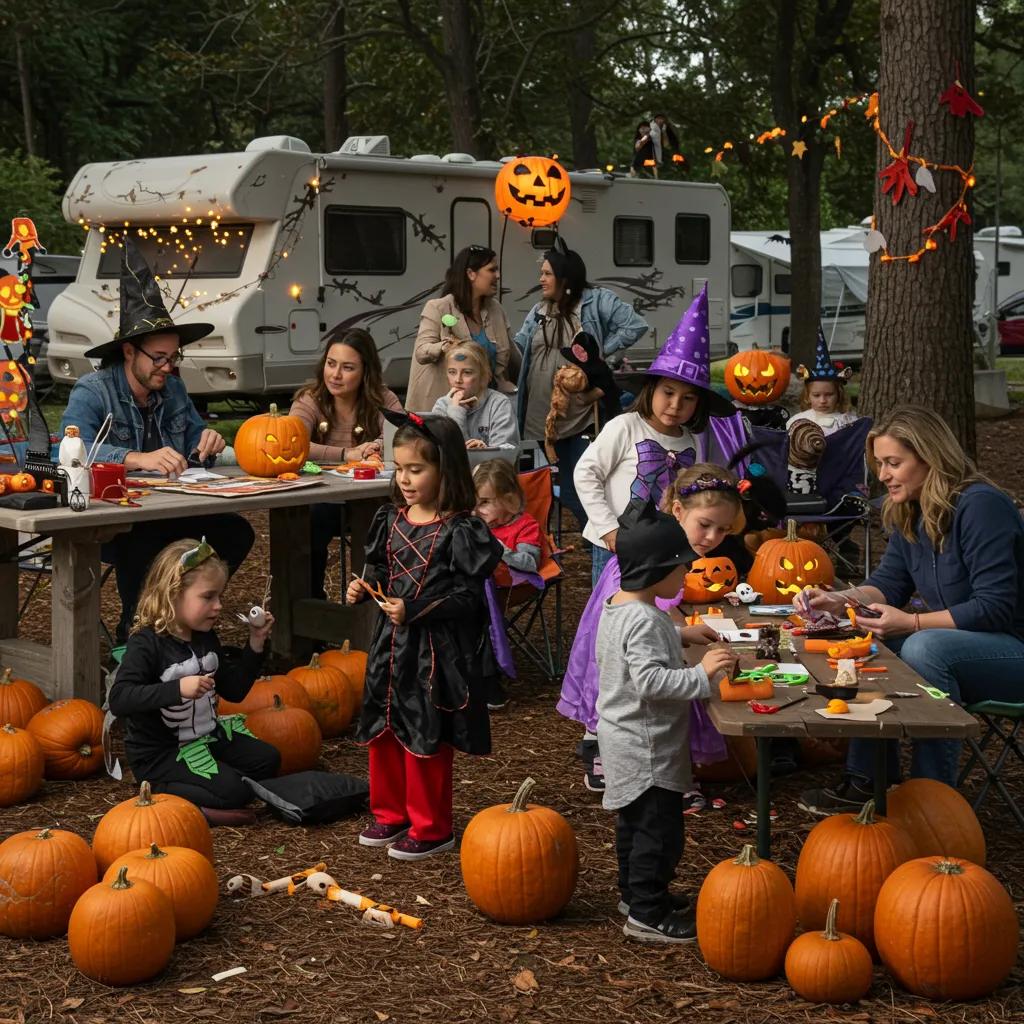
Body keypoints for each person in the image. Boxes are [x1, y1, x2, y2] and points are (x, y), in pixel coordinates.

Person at [796, 405, 1024, 814]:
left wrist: (912, 623)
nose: (882, 475)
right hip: (961, 648)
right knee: (862, 645)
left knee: (924, 647)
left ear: (929, 457)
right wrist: (840, 598)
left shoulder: (981, 507)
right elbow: (889, 585)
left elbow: (994, 608)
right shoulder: (908, 510)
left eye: (893, 463)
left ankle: (931, 800)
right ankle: (869, 780)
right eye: (879, 464)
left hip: (1013, 651)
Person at [62, 237, 254, 642]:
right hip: (114, 519)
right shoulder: (93, 391)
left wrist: (207, 441)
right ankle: (137, 639)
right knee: (145, 541)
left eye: (174, 357)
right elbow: (71, 450)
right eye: (159, 358)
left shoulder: (174, 391)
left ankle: (181, 619)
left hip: (172, 508)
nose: (168, 367)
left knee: (235, 532)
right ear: (129, 351)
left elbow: (188, 452)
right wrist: (137, 458)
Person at [347, 411, 502, 860]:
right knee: (384, 728)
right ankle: (390, 814)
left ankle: (432, 826)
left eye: (417, 469)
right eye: (400, 469)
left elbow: (468, 597)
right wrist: (363, 587)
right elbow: (380, 569)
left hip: (435, 653)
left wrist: (414, 610)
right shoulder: (390, 518)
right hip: (388, 648)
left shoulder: (460, 529)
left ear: (445, 468)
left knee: (425, 732)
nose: (406, 479)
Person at [562, 461, 763, 793]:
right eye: (705, 525)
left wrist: (679, 633)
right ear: (678, 510)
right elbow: (634, 644)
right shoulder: (649, 564)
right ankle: (604, 751)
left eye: (724, 530)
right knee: (616, 692)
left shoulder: (669, 557)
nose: (713, 537)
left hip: (646, 650)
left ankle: (663, 763)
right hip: (628, 682)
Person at [596, 498, 736, 943]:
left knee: (634, 827)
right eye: (682, 568)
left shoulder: (623, 606)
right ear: (657, 571)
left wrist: (681, 632)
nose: (688, 575)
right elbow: (652, 682)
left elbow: (642, 639)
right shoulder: (642, 620)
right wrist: (702, 673)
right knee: (659, 833)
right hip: (646, 747)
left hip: (622, 738)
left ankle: (633, 893)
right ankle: (647, 912)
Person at [574, 283, 741, 587]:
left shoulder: (690, 440)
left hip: (662, 545)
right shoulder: (625, 427)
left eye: (688, 398)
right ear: (651, 389)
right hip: (615, 544)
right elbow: (586, 474)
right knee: (612, 608)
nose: (676, 405)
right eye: (668, 392)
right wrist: (609, 530)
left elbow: (689, 497)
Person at [108, 537, 279, 826]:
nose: (218, 606)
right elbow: (121, 698)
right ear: (173, 593)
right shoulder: (146, 644)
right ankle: (173, 799)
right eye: (208, 597)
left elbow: (235, 690)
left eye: (219, 597)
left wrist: (255, 644)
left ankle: (212, 784)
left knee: (267, 759)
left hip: (204, 737)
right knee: (235, 790)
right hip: (160, 754)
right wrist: (176, 689)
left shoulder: (205, 637)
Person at [514, 242, 649, 530]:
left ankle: (607, 543)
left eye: (547, 273)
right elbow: (518, 347)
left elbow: (635, 325)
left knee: (580, 488)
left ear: (565, 277)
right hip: (542, 418)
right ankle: (599, 544)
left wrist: (597, 354)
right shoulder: (539, 311)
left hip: (581, 417)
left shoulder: (596, 301)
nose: (541, 279)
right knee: (550, 489)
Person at [289, 329, 403, 599]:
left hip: (371, 496)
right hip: (323, 498)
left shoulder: (382, 399)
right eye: (331, 364)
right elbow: (293, 444)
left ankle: (374, 607)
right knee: (307, 523)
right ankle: (311, 608)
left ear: (366, 371)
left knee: (382, 523)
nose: (335, 375)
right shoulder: (310, 399)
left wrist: (377, 445)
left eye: (347, 367)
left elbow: (403, 435)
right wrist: (345, 454)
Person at [406, 246, 517, 411]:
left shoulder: (496, 310)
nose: (498, 276)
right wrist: (445, 346)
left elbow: (512, 355)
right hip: (445, 409)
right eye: (492, 270)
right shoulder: (438, 307)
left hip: (485, 408)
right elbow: (422, 351)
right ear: (471, 274)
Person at [786, 327, 858, 494]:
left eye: (829, 395)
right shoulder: (796, 421)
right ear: (807, 396)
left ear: (838, 394)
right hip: (804, 482)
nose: (823, 400)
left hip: (838, 480)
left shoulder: (848, 421)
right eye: (817, 395)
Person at [431, 342, 519, 449]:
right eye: (452, 372)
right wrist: (456, 413)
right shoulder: (442, 405)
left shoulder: (498, 404)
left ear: (483, 376)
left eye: (467, 372)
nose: (458, 380)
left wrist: (484, 451)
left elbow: (507, 452)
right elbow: (442, 453)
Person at [473, 459, 543, 580]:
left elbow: (530, 564)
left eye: (484, 502)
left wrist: (500, 549)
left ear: (509, 500)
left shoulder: (526, 526)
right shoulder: (475, 524)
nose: (475, 511)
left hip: (507, 589)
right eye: (473, 503)